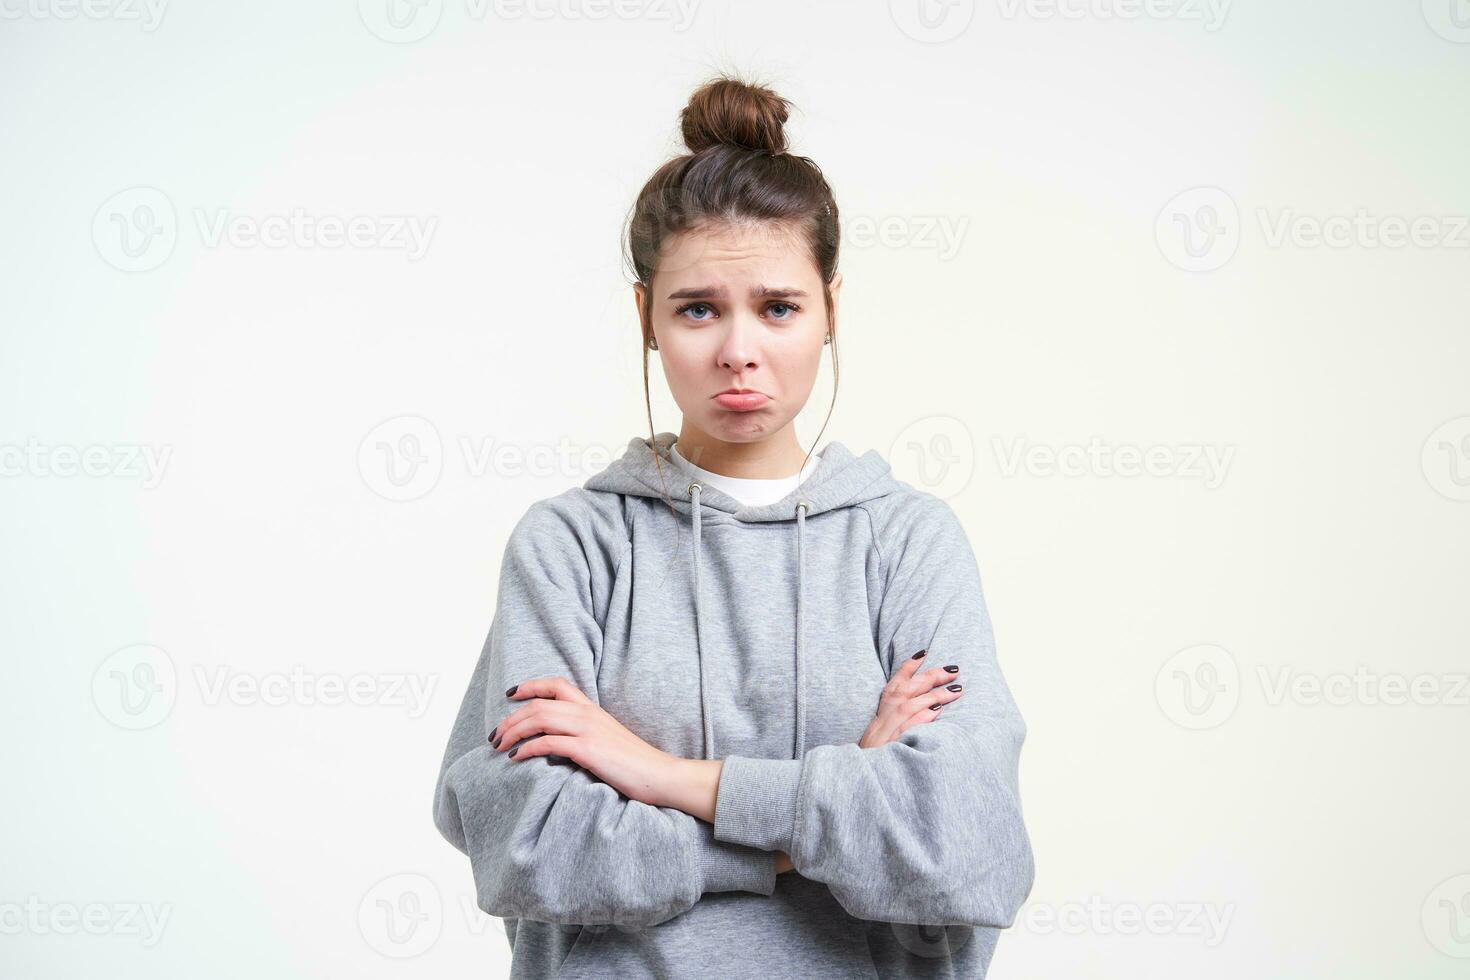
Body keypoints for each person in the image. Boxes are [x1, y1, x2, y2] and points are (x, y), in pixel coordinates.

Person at [432, 73, 1035, 979]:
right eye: (698, 308)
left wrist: (654, 771)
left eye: (779, 307)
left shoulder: (907, 543)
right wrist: (826, 810)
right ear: (647, 318)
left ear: (831, 310)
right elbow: (532, 847)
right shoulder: (571, 549)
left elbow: (968, 852)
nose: (738, 350)